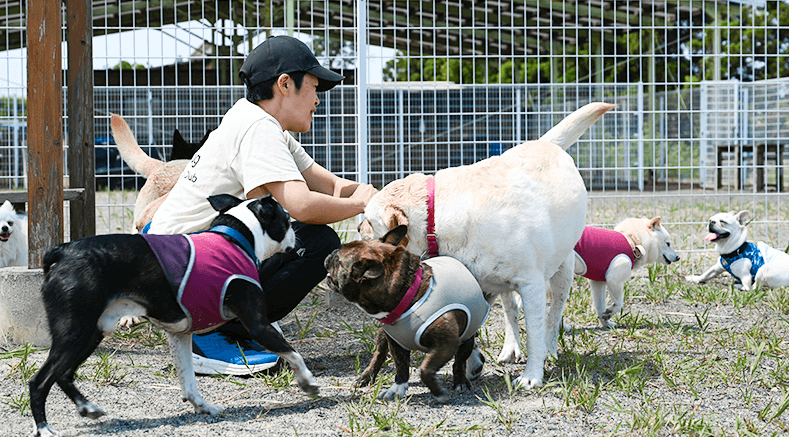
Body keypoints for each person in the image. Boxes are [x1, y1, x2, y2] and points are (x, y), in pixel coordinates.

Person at [146, 35, 379, 375]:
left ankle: (228, 323)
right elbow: (302, 205)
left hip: (174, 270)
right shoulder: (258, 128)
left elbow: (331, 186)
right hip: (183, 283)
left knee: (299, 236)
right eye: (314, 88)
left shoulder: (260, 122)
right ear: (285, 84)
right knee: (317, 242)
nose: (318, 100)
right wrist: (360, 204)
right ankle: (209, 333)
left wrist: (376, 197)